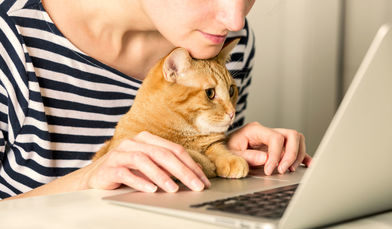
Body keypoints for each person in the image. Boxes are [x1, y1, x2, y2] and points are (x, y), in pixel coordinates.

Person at [0, 0, 312, 200]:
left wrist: (228, 148)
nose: (235, 19)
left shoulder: (225, 44)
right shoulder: (9, 42)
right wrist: (89, 179)